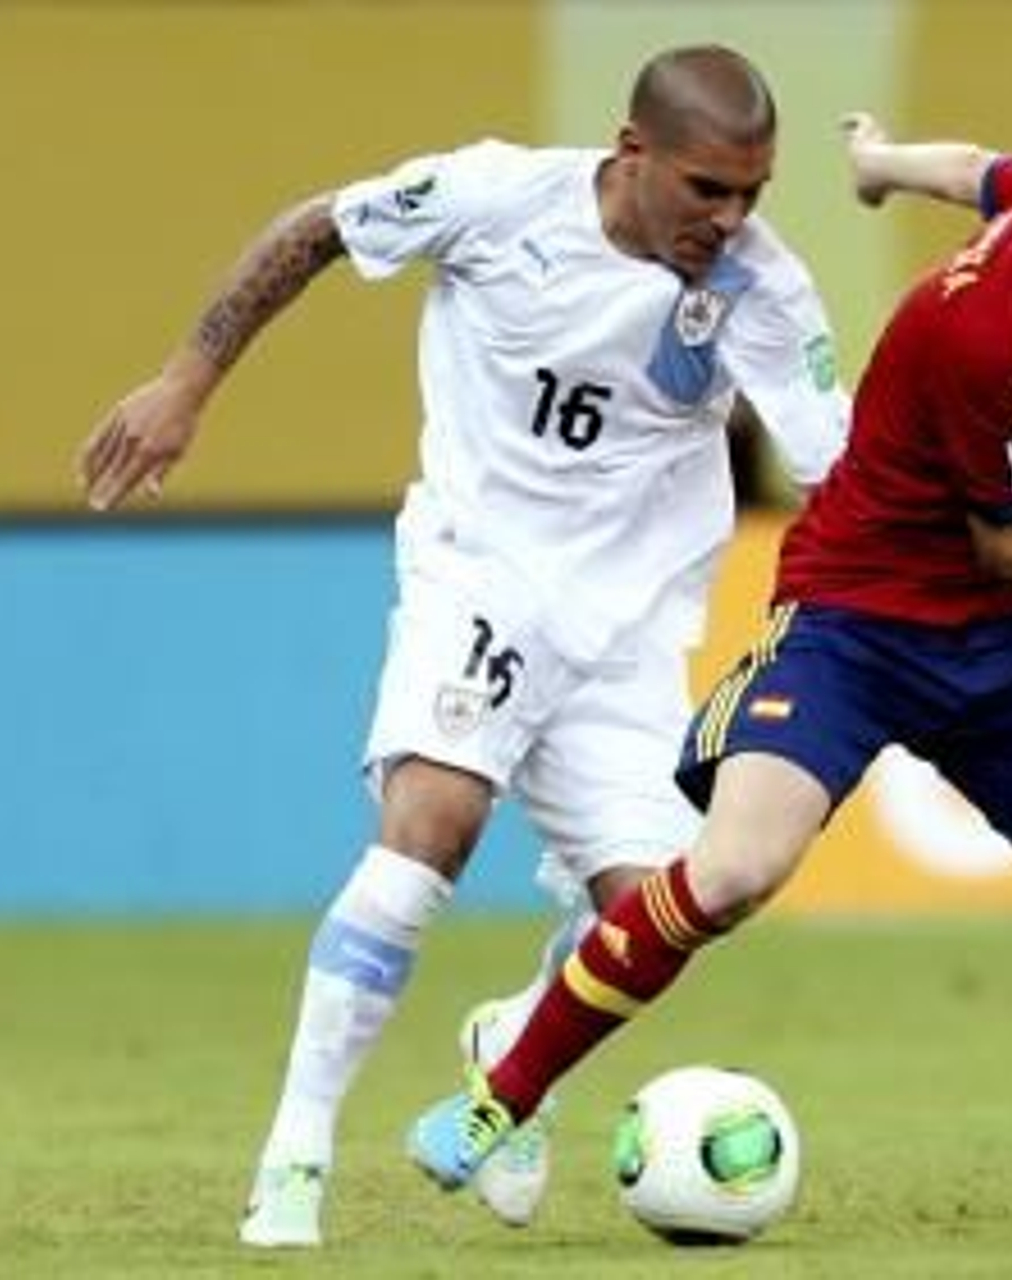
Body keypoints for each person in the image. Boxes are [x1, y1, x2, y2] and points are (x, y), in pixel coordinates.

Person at [407, 101, 1012, 1239]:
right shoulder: (981, 332)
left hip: (999, 637)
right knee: (730, 874)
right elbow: (1006, 538)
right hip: (858, 618)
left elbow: (976, 168)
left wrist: (878, 165)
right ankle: (499, 1098)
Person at [75, 44, 848, 1248]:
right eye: (707, 189)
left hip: (632, 626)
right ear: (631, 152)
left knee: (658, 915)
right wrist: (187, 378)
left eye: (753, 191)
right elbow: (317, 227)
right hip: (481, 570)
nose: (731, 218)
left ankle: (509, 1041)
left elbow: (840, 476)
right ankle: (294, 1159)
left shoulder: (762, 287)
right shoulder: (499, 196)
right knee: (432, 822)